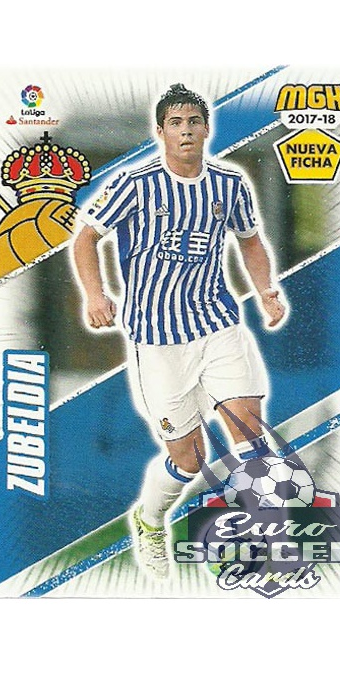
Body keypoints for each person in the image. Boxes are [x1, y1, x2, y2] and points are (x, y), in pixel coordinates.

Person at [72, 84, 287, 578]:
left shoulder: (229, 184)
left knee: (250, 433)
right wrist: (95, 295)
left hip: (217, 324)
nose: (186, 131)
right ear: (161, 131)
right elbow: (85, 239)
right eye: (176, 123)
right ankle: (149, 520)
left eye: (194, 122)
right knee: (190, 460)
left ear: (207, 129)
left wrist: (265, 290)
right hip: (157, 339)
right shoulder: (135, 184)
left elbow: (250, 241)